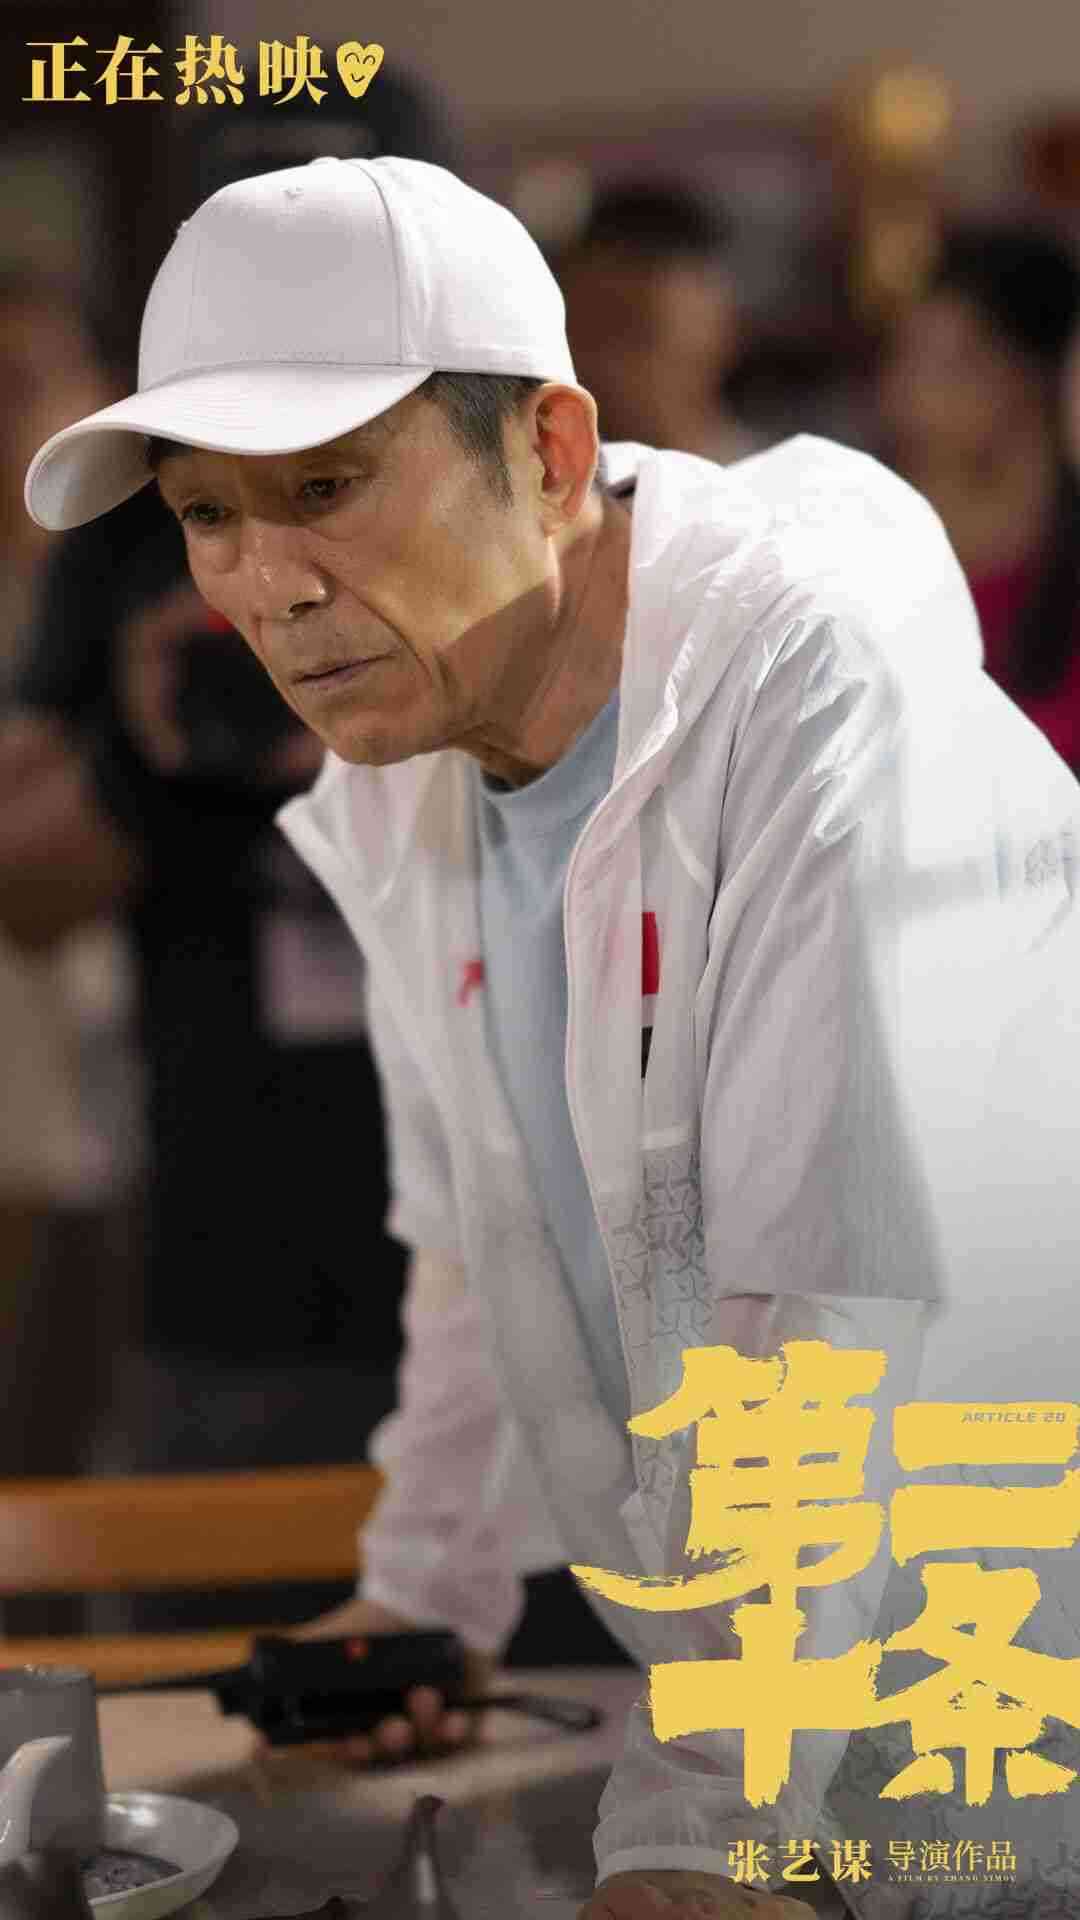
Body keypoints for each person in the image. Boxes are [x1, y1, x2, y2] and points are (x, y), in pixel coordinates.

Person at [24, 158, 1080, 1918]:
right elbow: (478, 1236)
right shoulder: (406, 766)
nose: (266, 584)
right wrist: (428, 1590)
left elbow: (817, 1324)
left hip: (1003, 1700)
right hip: (781, 1712)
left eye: (326, 487)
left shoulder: (806, 699)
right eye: (208, 515)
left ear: (555, 452)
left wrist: (708, 1818)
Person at [877, 221, 1080, 773]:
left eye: (950, 364)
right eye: (903, 357)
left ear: (1029, 379)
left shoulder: (1057, 572)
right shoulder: (875, 555)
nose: (907, 392)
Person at [556, 180, 758, 461]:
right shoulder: (529, 477)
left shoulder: (784, 483)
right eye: (594, 335)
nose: (613, 370)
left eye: (640, 336)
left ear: (725, 331)